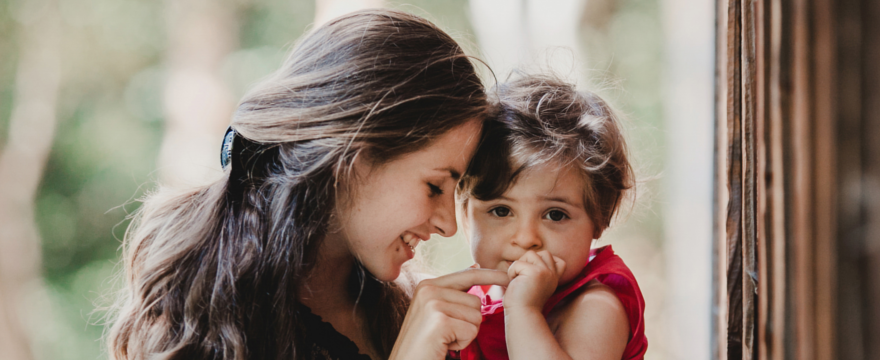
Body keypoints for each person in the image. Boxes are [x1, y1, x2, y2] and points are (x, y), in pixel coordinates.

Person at [107, 9, 510, 360]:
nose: (448, 226)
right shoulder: (194, 300)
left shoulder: (409, 310)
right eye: (434, 187)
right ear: (353, 155)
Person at [454, 74, 648, 360]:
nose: (526, 238)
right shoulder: (466, 300)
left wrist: (523, 311)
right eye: (501, 210)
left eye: (555, 215)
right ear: (466, 216)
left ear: (599, 219)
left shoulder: (595, 308)